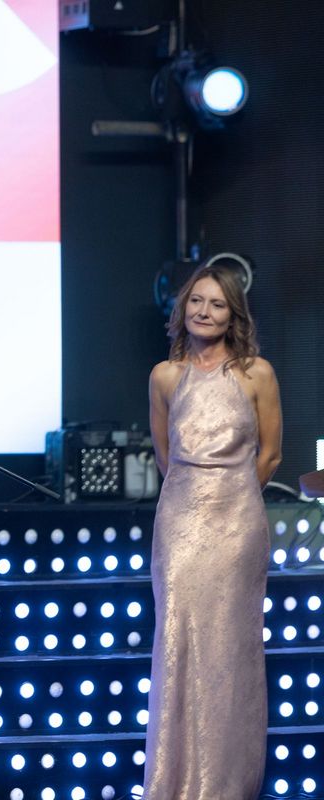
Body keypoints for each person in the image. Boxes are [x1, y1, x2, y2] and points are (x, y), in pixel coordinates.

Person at [143, 263, 282, 800]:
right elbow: (165, 456)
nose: (204, 311)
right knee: (177, 643)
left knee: (231, 648)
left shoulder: (257, 373)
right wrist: (194, 497)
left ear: (232, 315)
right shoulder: (164, 376)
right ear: (183, 309)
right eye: (197, 301)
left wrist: (233, 496)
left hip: (237, 524)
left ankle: (228, 785)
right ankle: (174, 782)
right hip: (180, 523)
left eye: (217, 304)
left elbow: (270, 455)